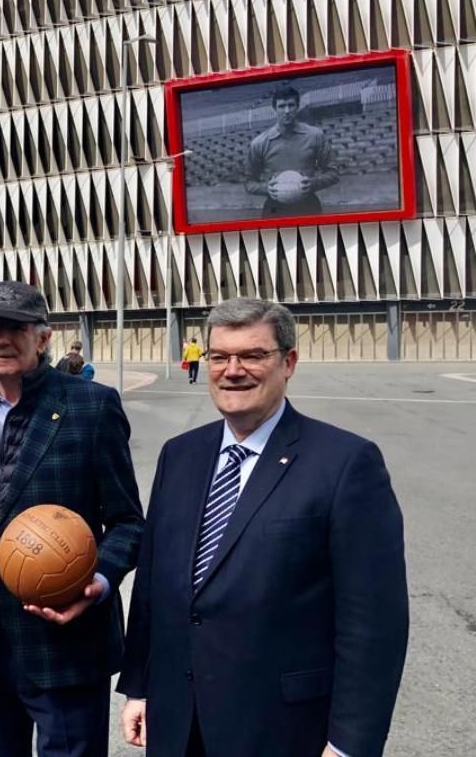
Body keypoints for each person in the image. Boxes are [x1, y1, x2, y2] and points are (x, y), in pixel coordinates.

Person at [118, 297, 408, 757]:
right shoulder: (180, 454)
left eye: (253, 356)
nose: (233, 371)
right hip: (177, 720)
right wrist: (139, 686)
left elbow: (373, 624)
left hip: (282, 729)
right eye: (219, 356)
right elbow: (154, 584)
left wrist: (349, 744)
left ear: (288, 362)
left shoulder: (346, 463)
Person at [0, 280, 144, 757]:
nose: (0, 340)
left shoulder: (91, 406)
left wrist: (96, 583)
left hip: (64, 641)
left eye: (15, 329)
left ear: (43, 338)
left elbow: (128, 522)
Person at [245, 84, 339, 218]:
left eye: (291, 105)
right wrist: (266, 188)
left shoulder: (315, 136)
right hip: (275, 209)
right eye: (281, 106)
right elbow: (249, 183)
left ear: (298, 107)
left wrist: (313, 183)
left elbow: (333, 173)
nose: (287, 111)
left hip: (308, 206)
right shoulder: (260, 143)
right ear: (274, 109)